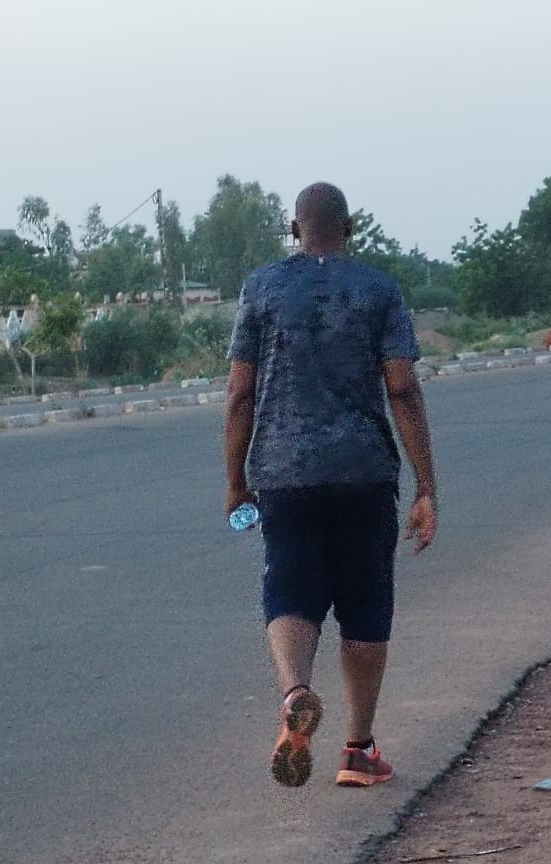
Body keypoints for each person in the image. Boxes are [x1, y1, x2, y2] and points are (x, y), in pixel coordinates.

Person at [223, 182, 438, 790]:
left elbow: (240, 392)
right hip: (364, 470)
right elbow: (402, 388)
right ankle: (359, 751)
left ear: (295, 229)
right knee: (365, 608)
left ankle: (295, 693)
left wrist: (235, 483)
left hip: (283, 474)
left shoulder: (261, 289)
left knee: (290, 586)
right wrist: (426, 486)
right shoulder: (378, 290)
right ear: (351, 228)